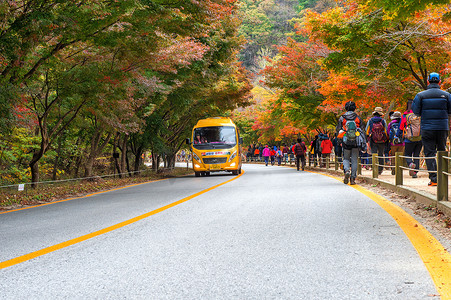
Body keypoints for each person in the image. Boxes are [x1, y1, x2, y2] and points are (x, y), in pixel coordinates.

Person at [412, 72, 451, 186]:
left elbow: (416, 112)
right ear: (439, 82)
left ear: (428, 81)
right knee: (442, 151)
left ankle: (434, 179)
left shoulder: (420, 95)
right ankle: (443, 178)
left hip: (427, 127)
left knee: (429, 153)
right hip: (442, 127)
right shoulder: (447, 95)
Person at [336, 101, 364, 185]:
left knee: (346, 158)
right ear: (354, 108)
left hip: (345, 140)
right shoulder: (358, 118)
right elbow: (362, 130)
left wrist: (339, 141)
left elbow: (338, 129)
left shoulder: (342, 118)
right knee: (354, 159)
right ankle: (352, 178)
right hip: (356, 140)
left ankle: (347, 170)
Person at [398, 100, 422, 178]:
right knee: (416, 155)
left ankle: (410, 164)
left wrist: (397, 135)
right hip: (419, 138)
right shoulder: (420, 114)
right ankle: (415, 172)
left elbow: (401, 127)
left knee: (407, 154)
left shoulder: (405, 116)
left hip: (409, 139)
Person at [366, 107, 388, 175]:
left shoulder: (370, 121)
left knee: (374, 153)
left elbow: (367, 131)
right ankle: (380, 169)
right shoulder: (383, 121)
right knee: (381, 154)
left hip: (373, 140)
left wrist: (368, 137)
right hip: (381, 141)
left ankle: (374, 168)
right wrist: (386, 139)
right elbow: (386, 131)